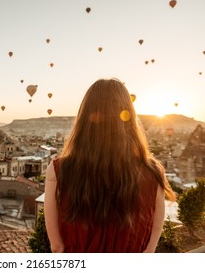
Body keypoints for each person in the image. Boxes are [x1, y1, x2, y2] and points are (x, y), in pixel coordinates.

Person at [44, 78, 176, 253]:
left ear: (84, 117)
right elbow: (151, 243)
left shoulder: (59, 170)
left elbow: (57, 246)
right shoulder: (152, 171)